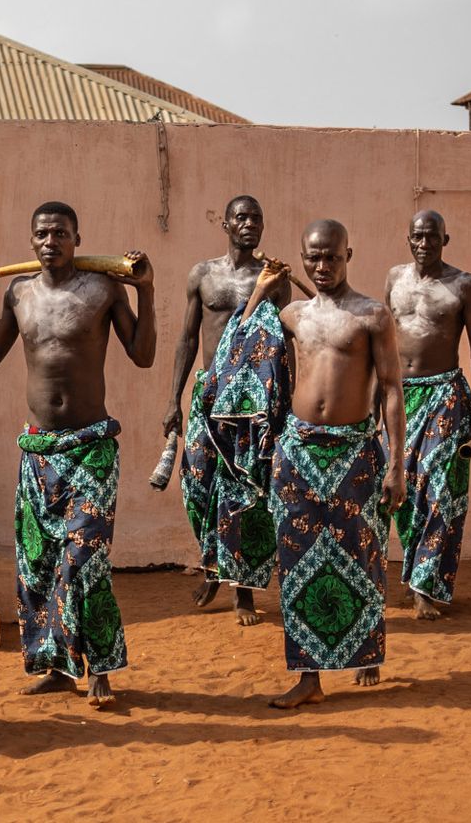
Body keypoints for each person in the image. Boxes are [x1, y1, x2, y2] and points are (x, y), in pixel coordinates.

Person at [0, 201, 154, 709]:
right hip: (39, 452)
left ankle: (102, 669)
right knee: (39, 565)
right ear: (32, 241)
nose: (51, 241)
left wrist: (147, 291)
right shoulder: (17, 292)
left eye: (61, 233)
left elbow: (143, 353)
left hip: (91, 449)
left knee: (84, 562)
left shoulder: (103, 289)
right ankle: (58, 668)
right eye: (43, 233)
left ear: (77, 239)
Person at [256, 220, 405, 709]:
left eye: (332, 257)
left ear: (349, 254)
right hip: (298, 450)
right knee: (298, 563)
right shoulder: (292, 314)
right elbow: (244, 351)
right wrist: (261, 293)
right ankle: (308, 678)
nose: (322, 267)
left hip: (354, 452)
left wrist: (397, 463)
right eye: (313, 258)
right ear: (303, 257)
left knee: (362, 557)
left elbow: (390, 390)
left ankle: (367, 652)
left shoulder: (372, 316)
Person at [158, 194, 292, 625]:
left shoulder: (272, 277)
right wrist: (173, 399)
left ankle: (244, 592)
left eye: (257, 217)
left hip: (251, 406)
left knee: (247, 494)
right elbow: (186, 339)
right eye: (241, 217)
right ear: (227, 225)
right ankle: (214, 565)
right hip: (208, 396)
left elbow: (281, 341)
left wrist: (283, 404)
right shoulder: (203, 274)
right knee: (197, 486)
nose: (249, 223)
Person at [384, 210, 471, 619]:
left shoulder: (464, 285)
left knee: (439, 491)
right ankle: (413, 577)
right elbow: (383, 341)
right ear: (408, 239)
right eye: (417, 237)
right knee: (402, 491)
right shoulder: (395, 279)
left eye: (432, 237)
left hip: (445, 395)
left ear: (446, 239)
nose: (424, 244)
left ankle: (425, 587)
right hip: (400, 396)